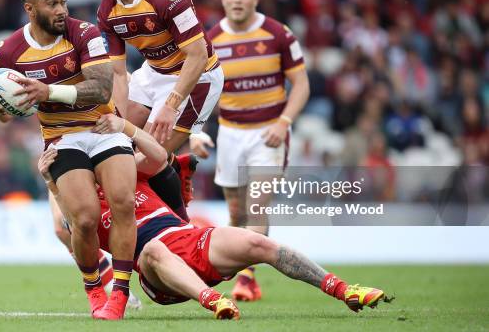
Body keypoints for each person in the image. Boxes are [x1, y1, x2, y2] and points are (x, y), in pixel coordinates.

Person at [38, 113, 390, 320]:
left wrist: (126, 128)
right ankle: (211, 300)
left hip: (188, 239)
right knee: (152, 252)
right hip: (153, 268)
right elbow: (64, 225)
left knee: (257, 242)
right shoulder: (81, 205)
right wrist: (51, 181)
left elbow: (160, 155)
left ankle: (344, 290)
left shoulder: (128, 174)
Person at [0, 0, 137, 320]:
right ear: (30, 8)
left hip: (103, 128)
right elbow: (1, 109)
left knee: (124, 202)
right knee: (83, 221)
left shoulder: (84, 34)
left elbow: (101, 89)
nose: (61, 10)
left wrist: (47, 92)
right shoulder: (5, 52)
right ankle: (95, 288)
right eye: (52, 3)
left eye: (63, 1)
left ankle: (121, 294)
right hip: (61, 139)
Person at [190, 0, 310, 301]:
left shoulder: (277, 34)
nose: (237, 0)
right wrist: (195, 132)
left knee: (257, 206)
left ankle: (246, 277)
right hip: (230, 133)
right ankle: (248, 274)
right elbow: (199, 90)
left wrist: (283, 122)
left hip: (268, 133)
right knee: (235, 213)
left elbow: (301, 85)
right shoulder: (212, 39)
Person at [89, 0, 224, 203]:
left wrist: (171, 104)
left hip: (196, 79)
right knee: (112, 144)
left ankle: (172, 170)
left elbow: (197, 56)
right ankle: (174, 165)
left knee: (144, 161)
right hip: (152, 72)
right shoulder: (107, 9)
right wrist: (117, 125)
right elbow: (118, 73)